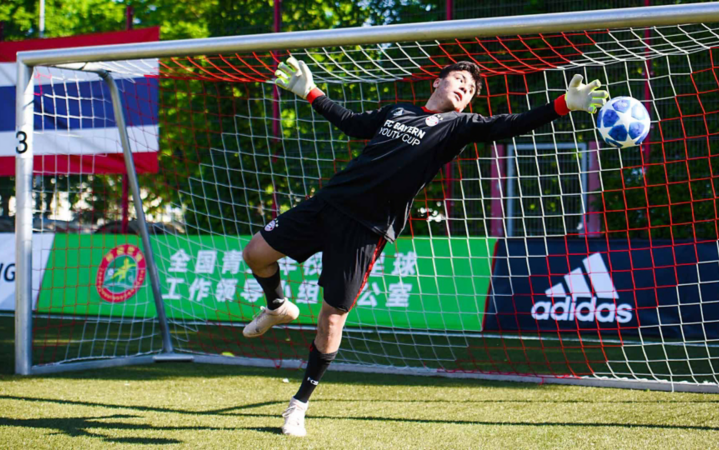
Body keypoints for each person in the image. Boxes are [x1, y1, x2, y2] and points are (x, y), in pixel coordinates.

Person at [241, 57, 608, 437]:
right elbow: (351, 122)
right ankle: (277, 306)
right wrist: (311, 92)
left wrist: (563, 104)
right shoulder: (396, 111)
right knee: (255, 254)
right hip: (328, 204)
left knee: (332, 317)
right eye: (461, 80)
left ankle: (298, 405)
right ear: (438, 82)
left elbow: (510, 125)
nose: (467, 88)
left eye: (472, 89)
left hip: (367, 230)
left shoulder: (459, 126)